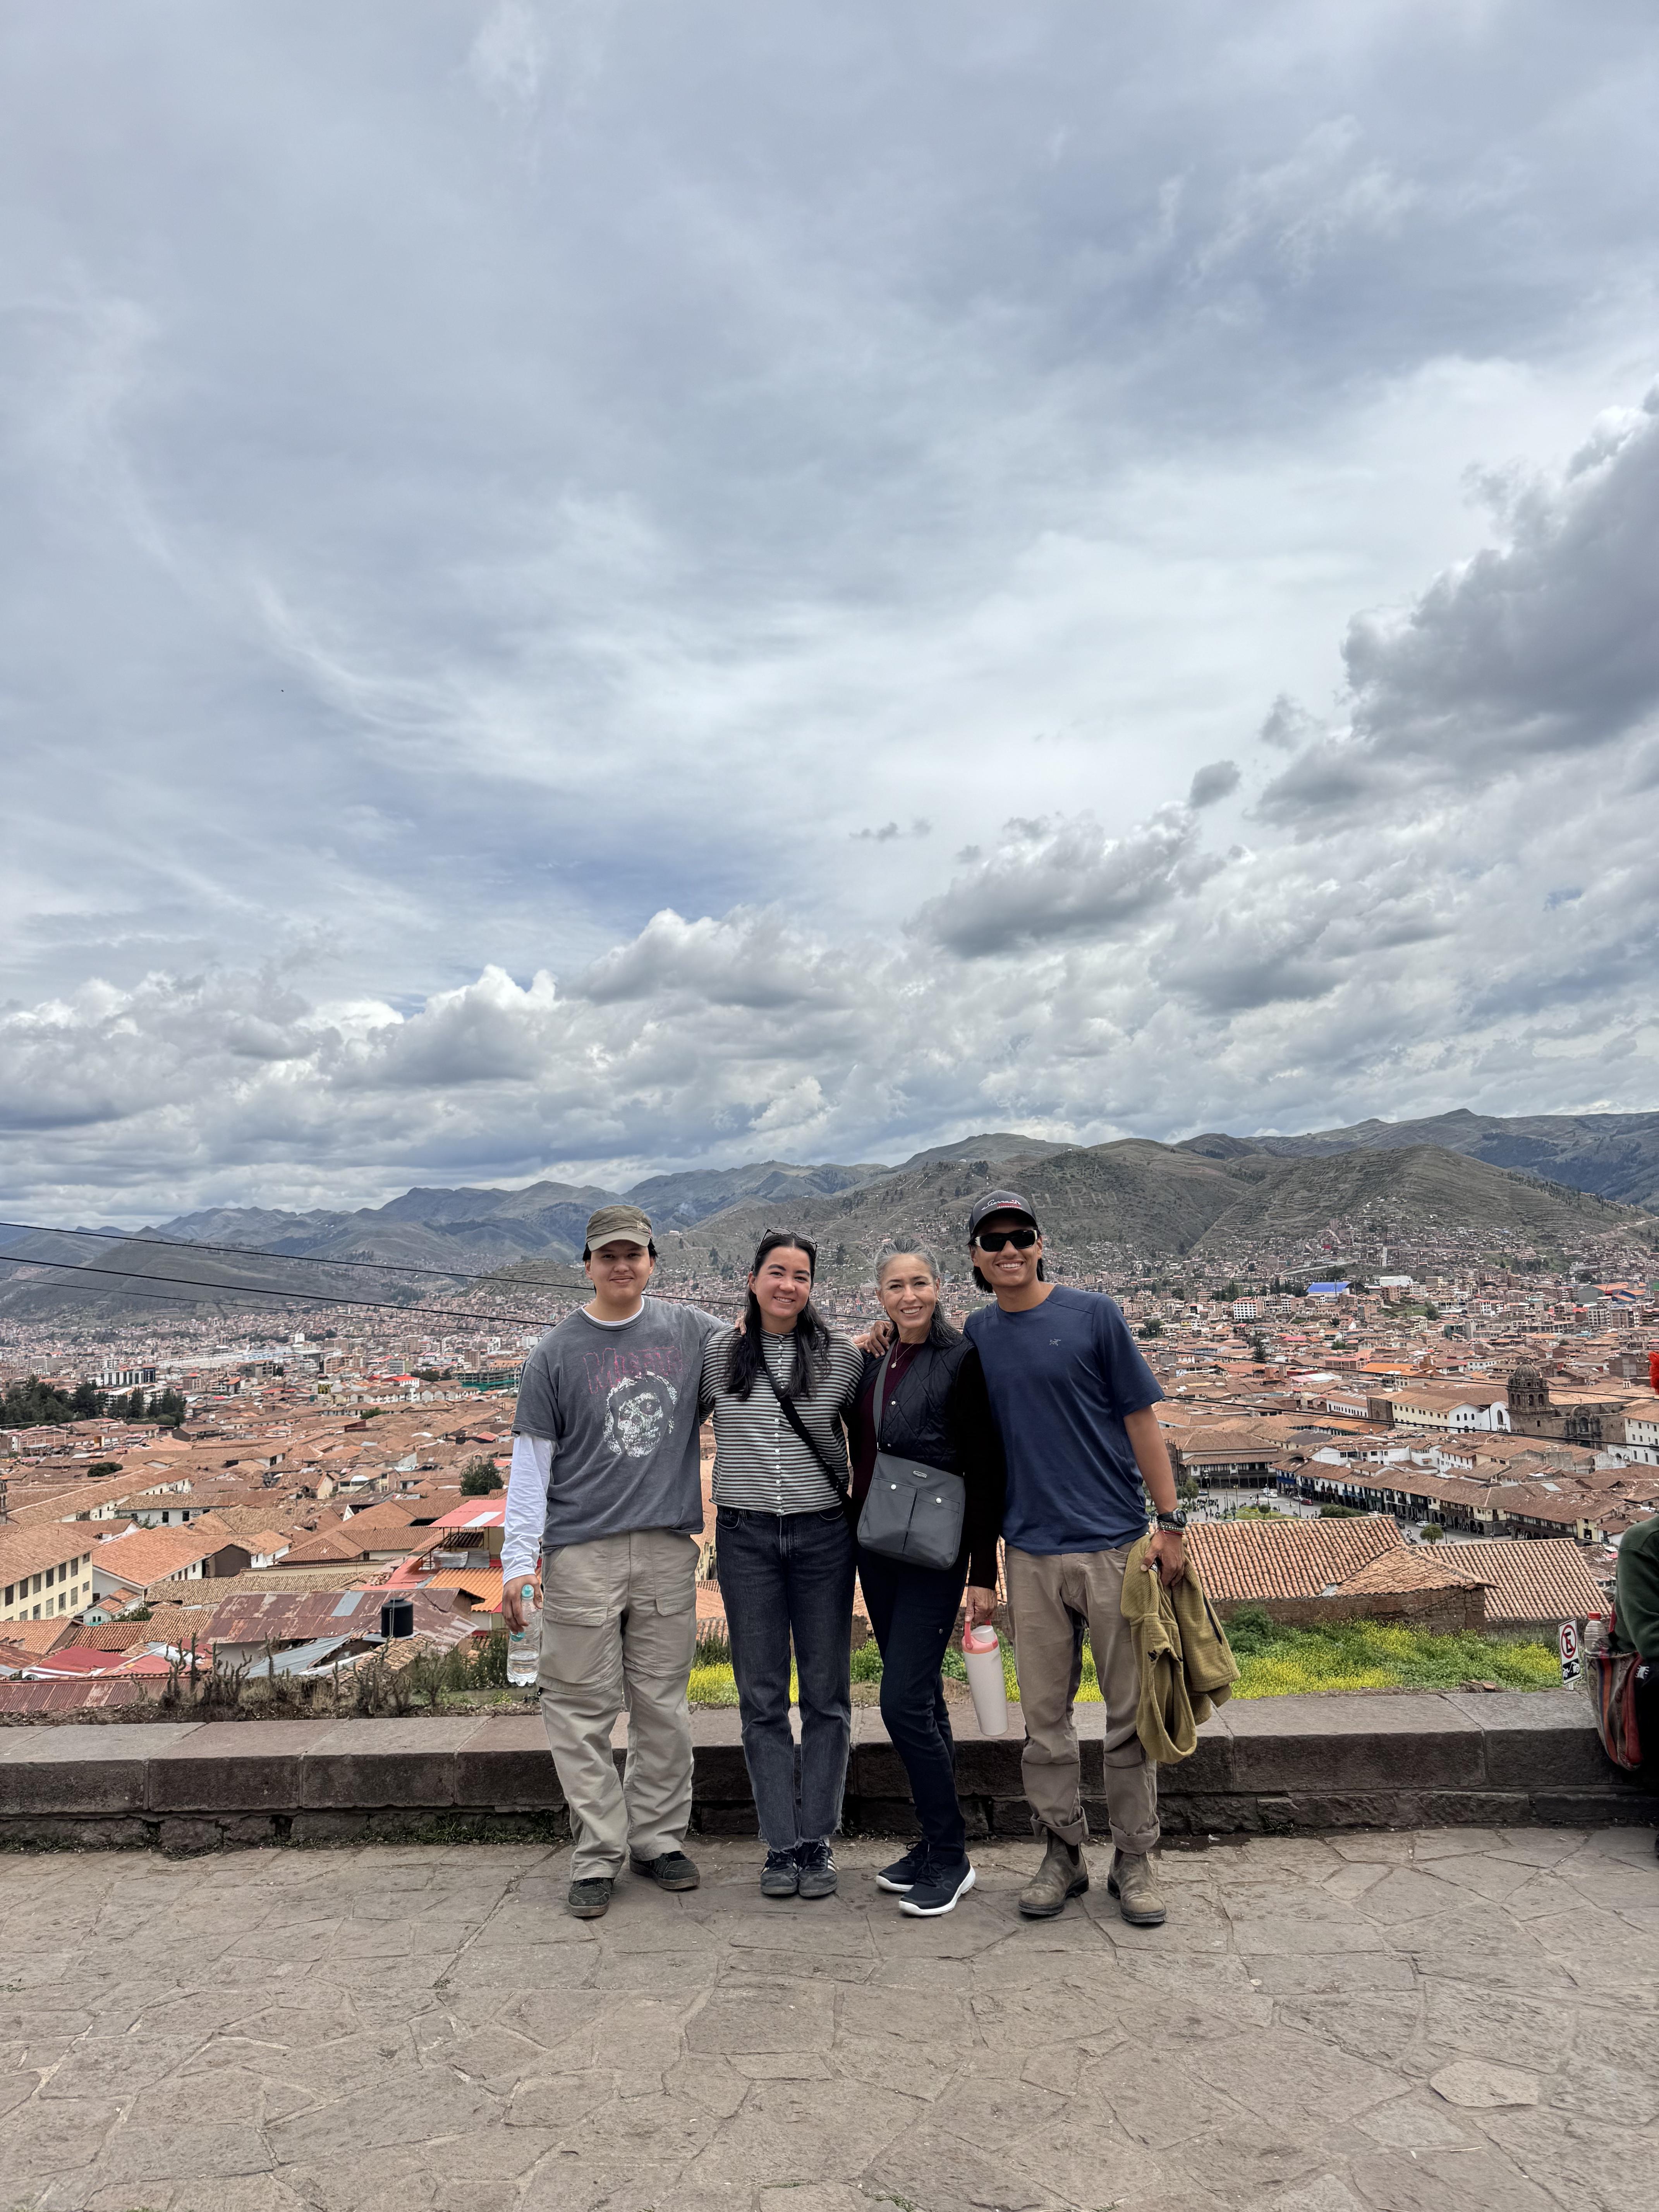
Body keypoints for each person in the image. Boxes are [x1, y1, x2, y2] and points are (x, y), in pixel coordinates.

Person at [961, 1190, 1185, 1927]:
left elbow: (1141, 1421)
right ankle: (1061, 1851)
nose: (1009, 1250)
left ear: (1041, 1243)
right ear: (976, 1258)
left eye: (1020, 1236)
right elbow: (979, 1454)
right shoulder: (977, 1334)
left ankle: (1135, 1856)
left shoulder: (1095, 1315)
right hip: (1029, 1551)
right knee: (1044, 1719)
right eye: (993, 1241)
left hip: (1113, 1544)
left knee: (1129, 1712)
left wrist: (1170, 1522)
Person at [502, 1204, 723, 1920]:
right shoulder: (555, 1352)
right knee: (578, 1707)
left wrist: (864, 1341)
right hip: (581, 1550)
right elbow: (531, 1466)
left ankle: (657, 1840)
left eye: (633, 1254)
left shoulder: (692, 1331)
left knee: (663, 1707)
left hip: (664, 1545)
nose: (622, 1266)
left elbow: (768, 1345)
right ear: (588, 1266)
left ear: (652, 1261)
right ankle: (598, 1851)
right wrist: (517, 1562)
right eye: (608, 1256)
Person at [704, 1230, 865, 1900]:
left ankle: (818, 1838)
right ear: (752, 1279)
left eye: (801, 1275)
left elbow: (877, 1432)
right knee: (761, 1695)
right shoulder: (717, 1354)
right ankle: (780, 1843)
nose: (788, 1285)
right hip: (745, 1539)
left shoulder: (842, 1357)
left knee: (827, 1693)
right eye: (777, 1272)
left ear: (812, 1287)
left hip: (824, 1536)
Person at [850, 1243, 1005, 1918]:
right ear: (879, 1297)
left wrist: (983, 1573)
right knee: (925, 1700)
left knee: (902, 1702)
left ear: (939, 1287)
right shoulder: (877, 1358)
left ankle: (951, 1855)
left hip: (936, 1553)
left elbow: (986, 1468)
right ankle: (934, 1843)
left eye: (919, 1283)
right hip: (880, 1546)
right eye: (895, 1286)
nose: (908, 1296)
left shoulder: (962, 1358)